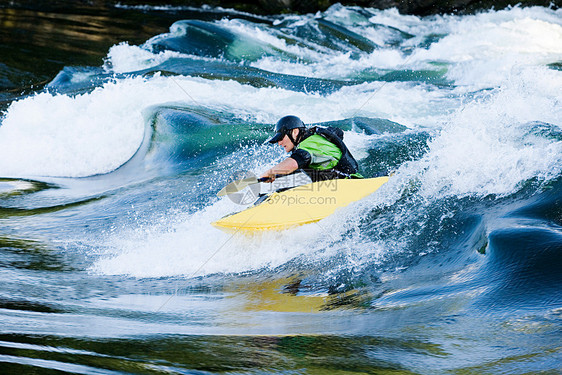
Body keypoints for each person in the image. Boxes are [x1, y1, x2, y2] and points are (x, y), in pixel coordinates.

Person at [260, 115, 362, 183]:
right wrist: (276, 176)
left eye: (281, 138)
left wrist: (270, 172)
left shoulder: (311, 143)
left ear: (295, 132)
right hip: (343, 185)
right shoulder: (313, 140)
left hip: (350, 184)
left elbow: (296, 161)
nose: (279, 143)